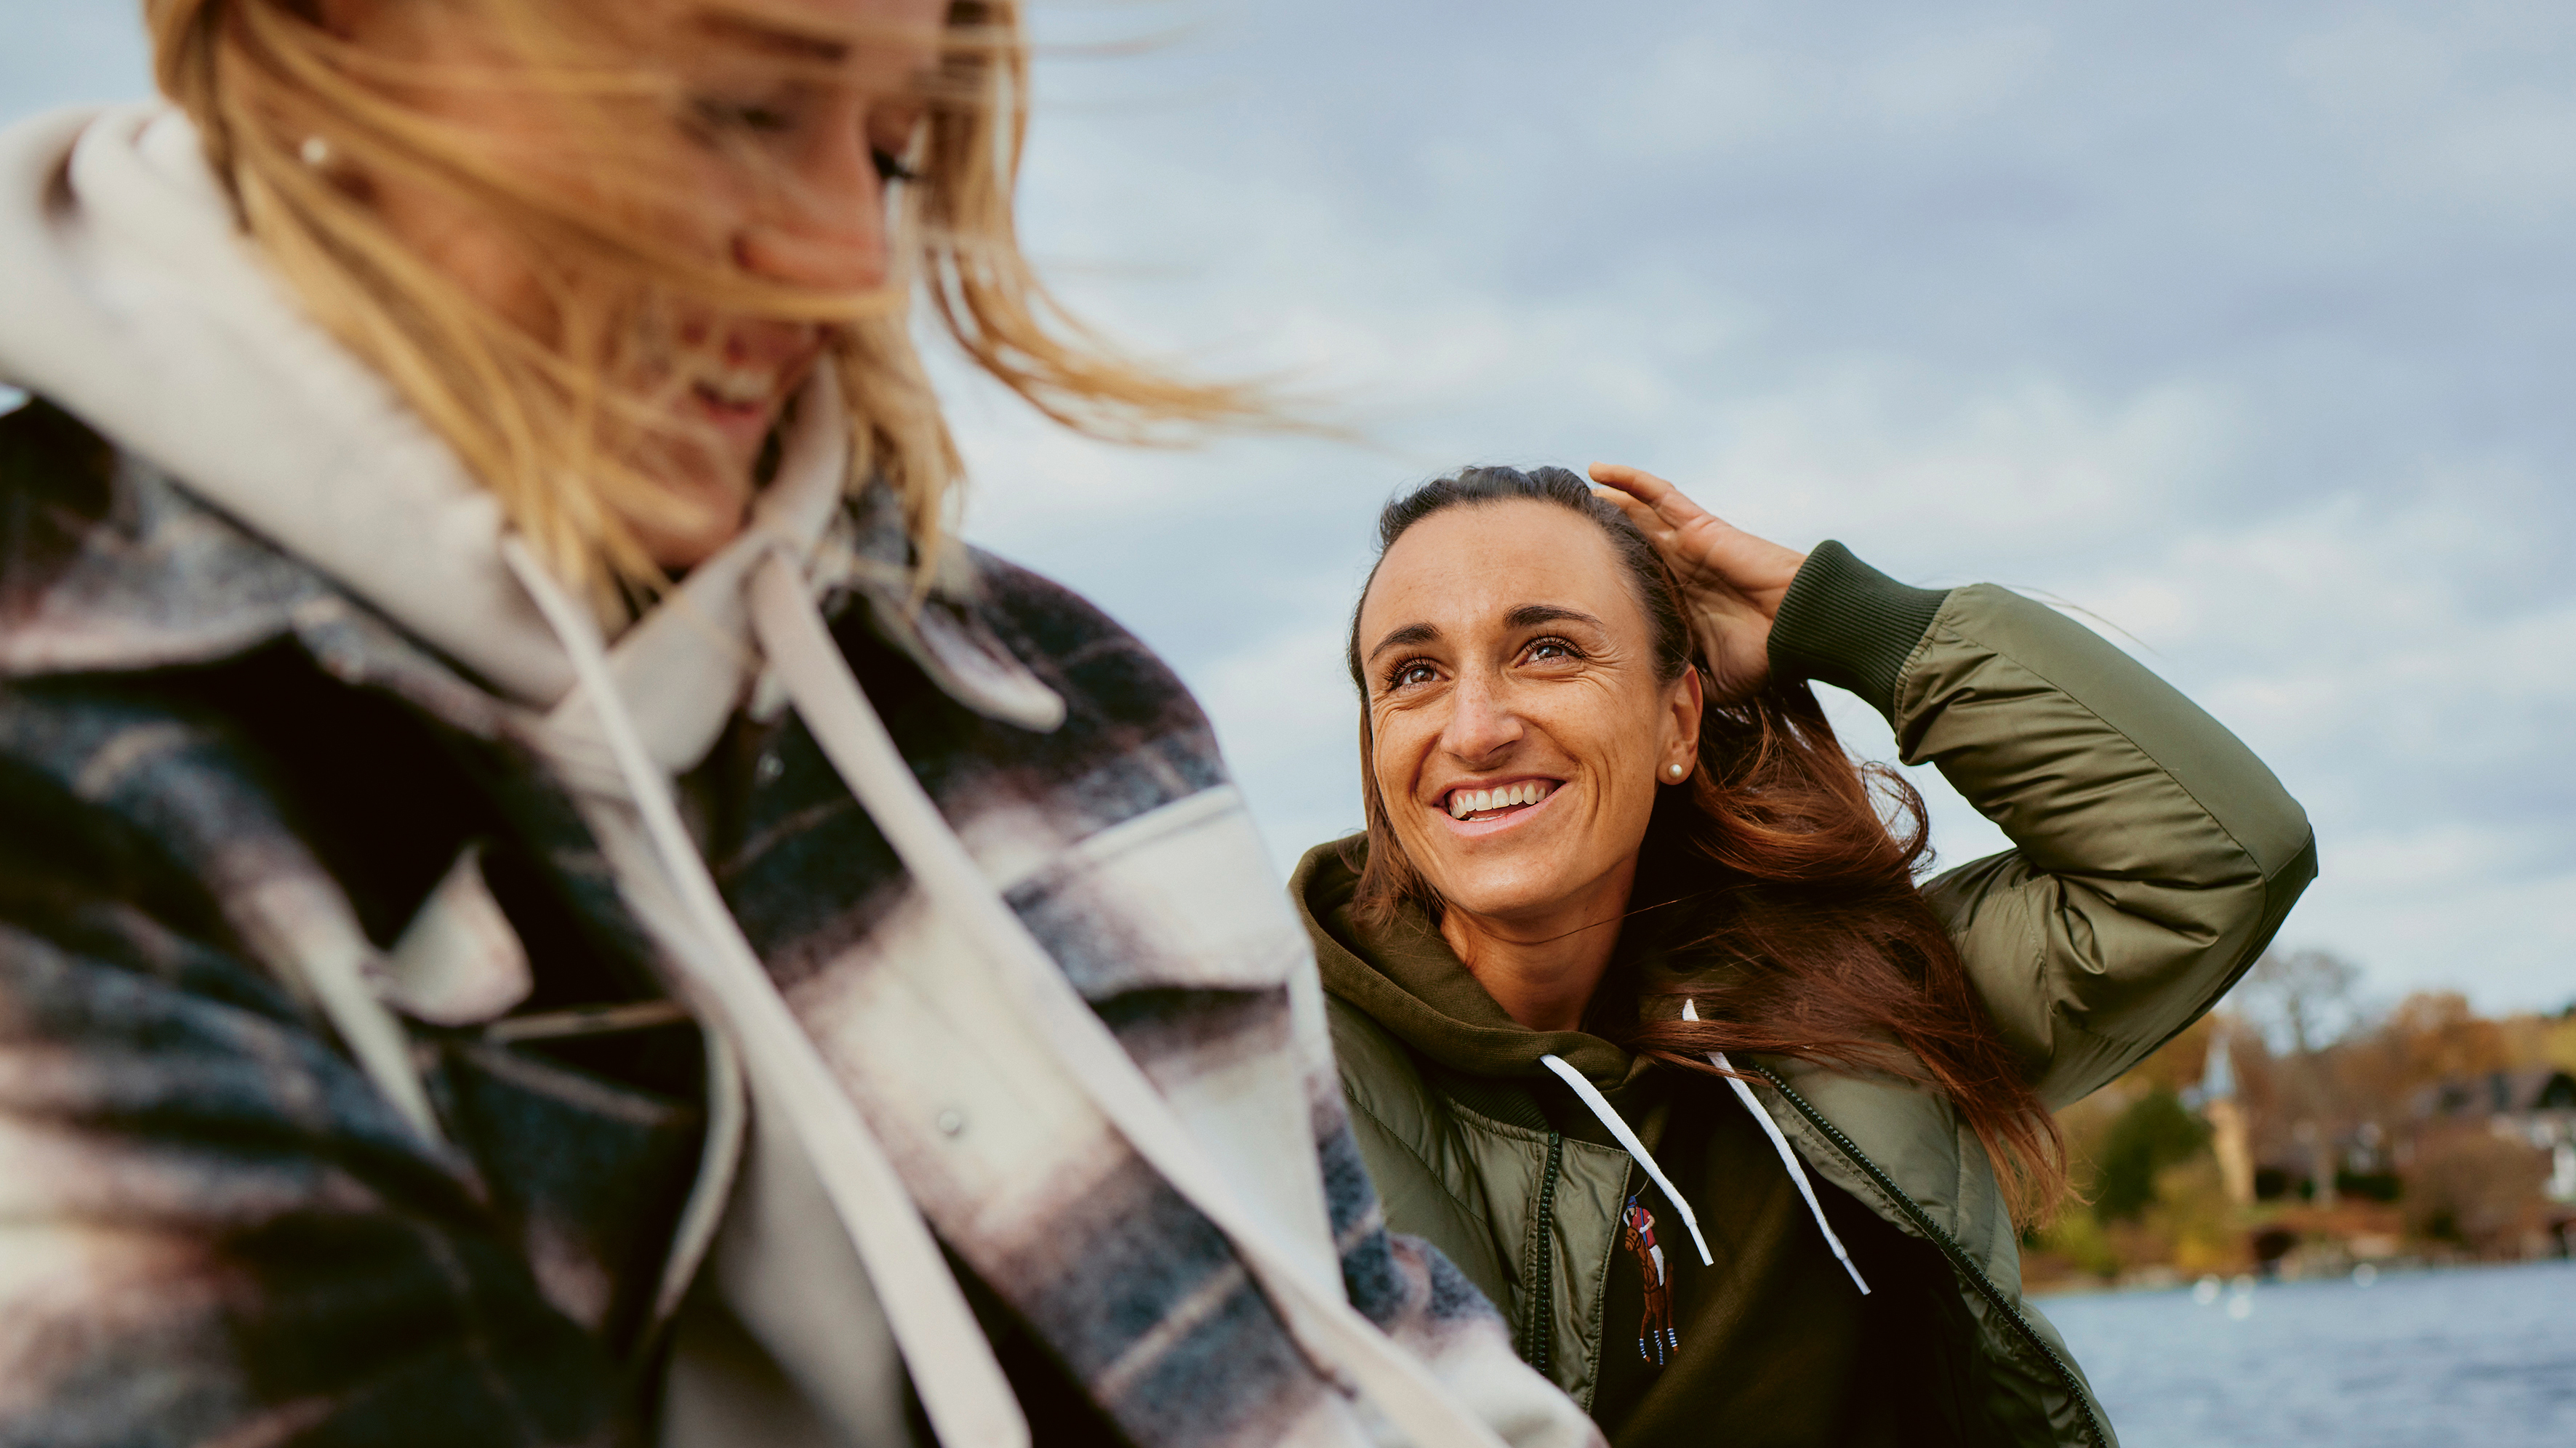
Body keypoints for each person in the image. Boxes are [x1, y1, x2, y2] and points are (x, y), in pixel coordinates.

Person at [0, 4, 1602, 1446]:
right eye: (733, 108)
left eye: (894, 152)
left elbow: (1369, 1338)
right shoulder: (64, 768)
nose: (846, 258)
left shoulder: (1050, 690)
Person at [1298, 464, 2316, 1447]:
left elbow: (2211, 865)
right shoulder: (1265, 1080)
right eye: (1416, 674)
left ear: (1677, 722)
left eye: (1550, 651)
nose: (1475, 728)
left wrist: (1843, 619)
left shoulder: (1853, 1007)